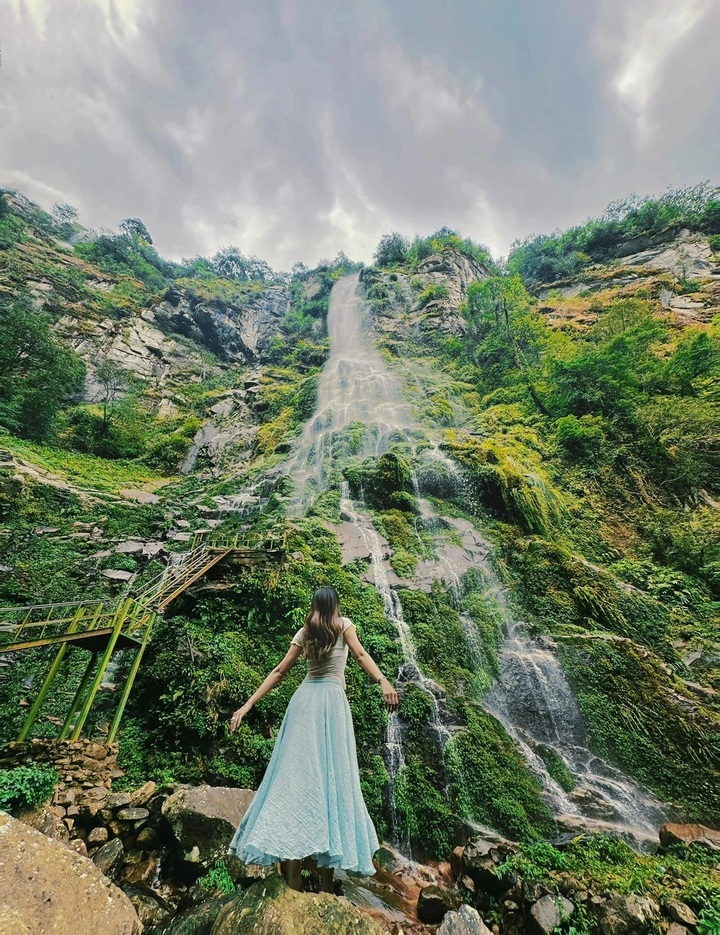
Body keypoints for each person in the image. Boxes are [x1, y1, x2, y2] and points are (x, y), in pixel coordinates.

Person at [227, 586, 399, 893]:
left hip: (303, 706)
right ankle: (325, 885)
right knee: (333, 787)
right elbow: (360, 654)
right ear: (336, 604)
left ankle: (292, 882)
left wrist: (248, 704)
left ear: (313, 605)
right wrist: (383, 681)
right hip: (332, 707)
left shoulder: (305, 632)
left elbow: (279, 671)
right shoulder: (344, 626)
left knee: (294, 784)